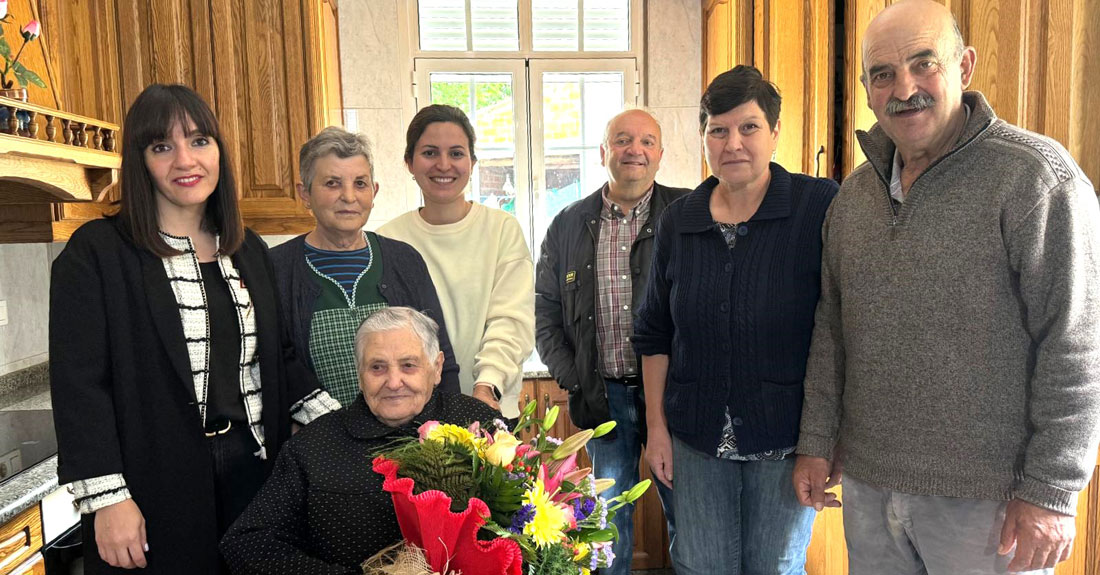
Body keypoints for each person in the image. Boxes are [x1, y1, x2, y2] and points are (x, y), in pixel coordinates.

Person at [792, 1, 1100, 573]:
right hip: (869, 486)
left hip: (994, 503)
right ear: (865, 89)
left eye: (923, 63)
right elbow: (832, 333)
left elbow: (1076, 343)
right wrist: (816, 439)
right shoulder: (854, 197)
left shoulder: (1034, 178)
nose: (903, 87)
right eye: (881, 73)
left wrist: (1053, 489)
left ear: (965, 66)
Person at [48, 84, 339, 574]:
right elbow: (80, 388)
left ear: (219, 151)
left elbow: (280, 359)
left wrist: (350, 430)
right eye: (162, 146)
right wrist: (107, 500)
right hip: (153, 486)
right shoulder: (97, 253)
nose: (186, 160)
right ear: (140, 161)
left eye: (200, 141)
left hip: (256, 477)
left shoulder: (247, 251)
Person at [632, 66, 838, 575]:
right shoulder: (680, 219)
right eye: (717, 130)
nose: (733, 143)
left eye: (748, 127)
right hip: (695, 438)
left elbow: (840, 328)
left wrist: (826, 441)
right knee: (700, 564)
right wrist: (657, 430)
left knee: (775, 565)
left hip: (785, 440)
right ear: (703, 137)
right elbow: (655, 333)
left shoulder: (818, 206)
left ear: (774, 132)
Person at [220, 306, 500, 573]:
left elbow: (528, 519)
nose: (393, 382)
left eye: (408, 365)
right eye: (377, 367)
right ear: (359, 373)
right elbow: (246, 541)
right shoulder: (313, 446)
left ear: (437, 367)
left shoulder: (478, 422)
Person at [535, 108, 685, 575]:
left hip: (677, 400)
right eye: (622, 140)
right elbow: (546, 312)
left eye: (645, 141)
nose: (633, 150)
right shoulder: (568, 224)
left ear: (660, 153)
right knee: (607, 525)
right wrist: (575, 379)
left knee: (690, 516)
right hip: (604, 399)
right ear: (604, 153)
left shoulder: (688, 214)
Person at [270, 126, 460, 407]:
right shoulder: (277, 270)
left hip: (408, 446)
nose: (349, 196)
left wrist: (449, 435)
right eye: (332, 183)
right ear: (305, 193)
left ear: (374, 191)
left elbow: (440, 357)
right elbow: (274, 368)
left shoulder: (404, 260)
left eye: (360, 183)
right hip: (319, 443)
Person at [378, 105, 534, 419]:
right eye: (430, 152)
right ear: (409, 162)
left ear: (472, 162)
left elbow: (511, 321)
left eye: (457, 153)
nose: (444, 165)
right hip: (416, 417)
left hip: (490, 406)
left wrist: (486, 385)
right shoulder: (387, 239)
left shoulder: (502, 230)